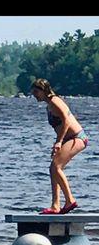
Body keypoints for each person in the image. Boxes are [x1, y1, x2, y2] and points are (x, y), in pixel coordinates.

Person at [31, 78, 88, 214]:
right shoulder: (49, 104)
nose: (34, 96)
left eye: (36, 92)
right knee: (53, 169)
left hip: (77, 138)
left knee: (56, 167)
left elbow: (66, 121)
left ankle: (70, 200)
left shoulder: (55, 101)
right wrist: (59, 141)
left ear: (44, 91)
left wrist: (59, 141)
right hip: (67, 139)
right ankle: (55, 205)